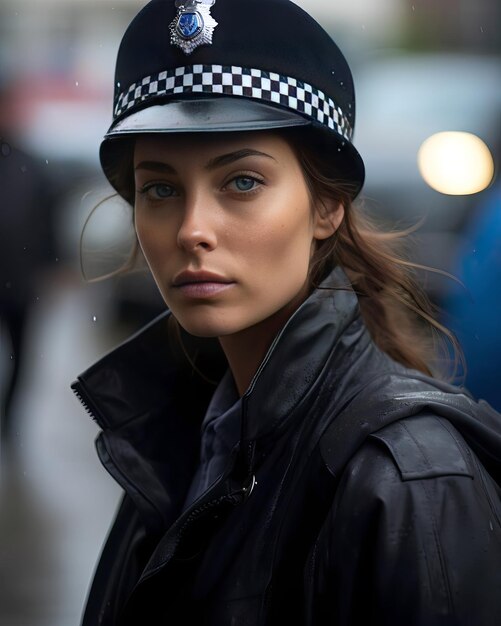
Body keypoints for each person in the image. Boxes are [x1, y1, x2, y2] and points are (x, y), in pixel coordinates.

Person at [72, 1, 501, 624]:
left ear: (327, 208)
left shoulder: (409, 480)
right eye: (160, 188)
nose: (192, 229)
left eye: (242, 182)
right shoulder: (176, 441)